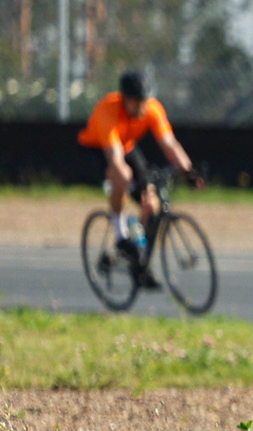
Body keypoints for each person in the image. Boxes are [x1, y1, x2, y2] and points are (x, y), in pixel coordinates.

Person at [77, 70, 201, 290]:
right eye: (137, 102)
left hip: (127, 147)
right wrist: (123, 175)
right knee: (122, 177)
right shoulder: (108, 111)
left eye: (145, 101)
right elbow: (115, 158)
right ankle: (119, 232)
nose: (142, 108)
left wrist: (189, 171)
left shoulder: (152, 109)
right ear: (124, 99)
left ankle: (139, 260)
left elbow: (170, 145)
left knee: (151, 203)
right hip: (96, 148)